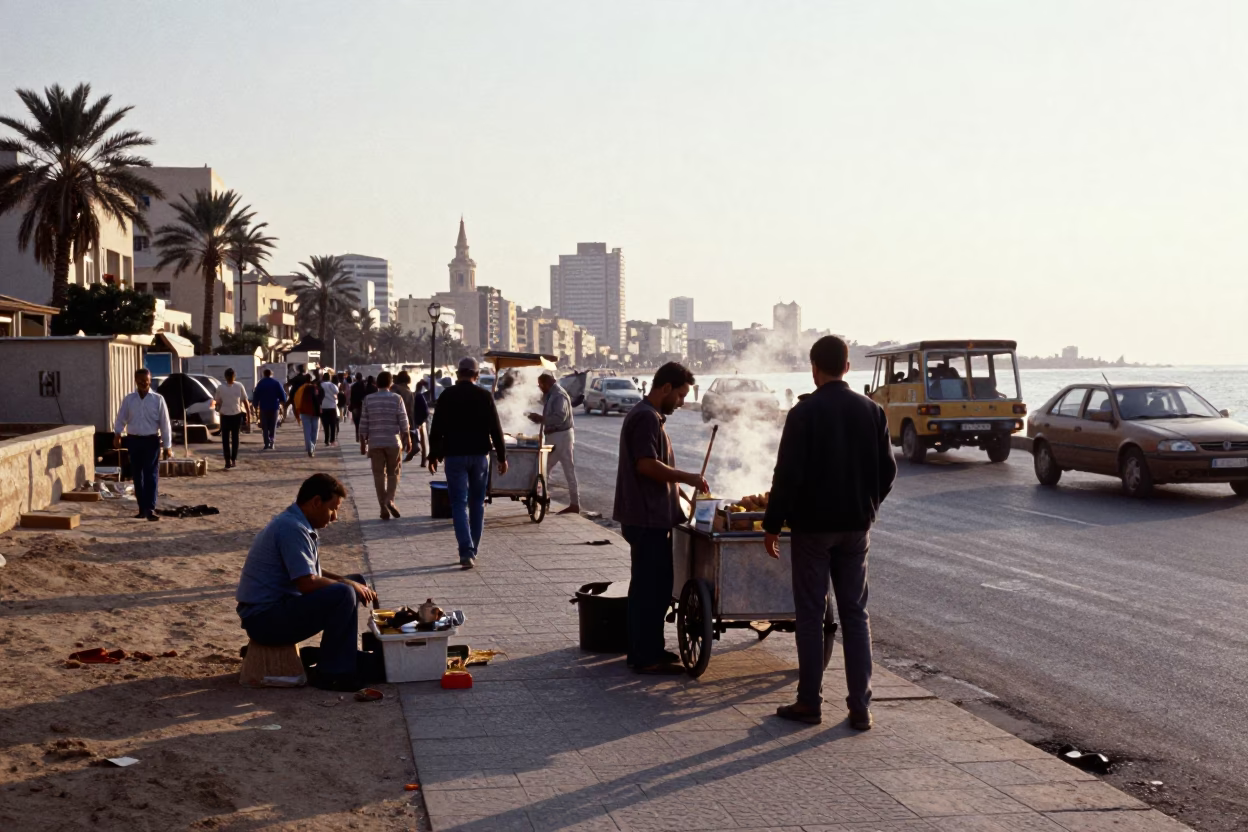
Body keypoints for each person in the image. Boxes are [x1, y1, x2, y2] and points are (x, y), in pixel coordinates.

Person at [763, 335, 897, 730]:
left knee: (810, 614)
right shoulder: (872, 411)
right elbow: (888, 472)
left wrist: (772, 524)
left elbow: (786, 474)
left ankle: (810, 702)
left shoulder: (804, 413)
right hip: (856, 528)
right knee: (856, 614)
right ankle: (860, 707)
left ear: (814, 368)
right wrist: (867, 505)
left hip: (812, 529)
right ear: (848, 367)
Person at [235, 473, 378, 691]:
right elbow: (307, 583)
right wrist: (347, 586)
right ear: (316, 502)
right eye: (333, 508)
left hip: (274, 611)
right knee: (344, 593)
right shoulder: (292, 528)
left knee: (354, 582)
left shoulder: (296, 523)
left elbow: (312, 572)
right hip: (264, 620)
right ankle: (333, 673)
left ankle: (336, 658)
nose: (334, 517)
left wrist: (348, 581)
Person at [613, 362, 707, 674]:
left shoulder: (651, 416)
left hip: (651, 515)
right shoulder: (645, 418)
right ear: (665, 388)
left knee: (655, 586)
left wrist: (677, 491)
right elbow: (646, 465)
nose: (682, 401)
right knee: (649, 588)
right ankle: (645, 656)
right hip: (646, 518)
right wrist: (688, 477)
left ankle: (649, 648)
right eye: (680, 395)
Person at [428, 357, 507, 569]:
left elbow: (436, 428)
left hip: (454, 456)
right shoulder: (484, 396)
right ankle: (472, 550)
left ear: (457, 374)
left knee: (458, 504)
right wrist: (502, 456)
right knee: (477, 503)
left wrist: (433, 455)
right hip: (480, 457)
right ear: (476, 375)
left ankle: (466, 551)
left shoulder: (447, 395)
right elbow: (495, 428)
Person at [113, 368, 173, 521]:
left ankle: (150, 509)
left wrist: (167, 446)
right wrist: (117, 434)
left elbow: (165, 423)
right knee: (137, 476)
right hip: (133, 441)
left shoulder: (158, 399)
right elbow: (121, 418)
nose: (143, 383)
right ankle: (142, 509)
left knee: (151, 475)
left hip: (151, 441)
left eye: (145, 380)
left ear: (150, 380)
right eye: (140, 380)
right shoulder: (129, 399)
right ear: (135, 380)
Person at [359, 371, 411, 521]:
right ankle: (390, 499)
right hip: (393, 442)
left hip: (375, 442)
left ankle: (383, 507)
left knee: (378, 475)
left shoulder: (368, 399)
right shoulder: (397, 398)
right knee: (393, 473)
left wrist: (363, 444)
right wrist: (408, 439)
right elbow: (403, 420)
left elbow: (364, 423)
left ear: (376, 384)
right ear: (390, 384)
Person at [527, 372, 580, 514]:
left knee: (547, 468)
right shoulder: (552, 394)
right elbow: (546, 404)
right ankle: (573, 503)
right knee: (561, 470)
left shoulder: (558, 395)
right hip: (559, 436)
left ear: (546, 384)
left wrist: (541, 419)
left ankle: (543, 498)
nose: (539, 388)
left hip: (560, 436)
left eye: (540, 385)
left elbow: (559, 418)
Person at [213, 368, 252, 470]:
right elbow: (245, 402)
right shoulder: (238, 386)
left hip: (227, 416)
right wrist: (248, 414)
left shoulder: (221, 387)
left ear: (226, 377)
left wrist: (216, 407)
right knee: (234, 438)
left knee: (227, 439)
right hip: (234, 415)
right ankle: (232, 459)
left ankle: (228, 460)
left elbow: (217, 402)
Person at [394, 371, 429, 465]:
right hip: (412, 418)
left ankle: (398, 460)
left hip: (400, 418)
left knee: (399, 440)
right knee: (420, 437)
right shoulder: (408, 391)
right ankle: (423, 461)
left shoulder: (396, 389)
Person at [252, 368, 287, 450]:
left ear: (264, 374)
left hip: (263, 408)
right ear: (271, 374)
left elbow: (256, 394)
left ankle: (266, 443)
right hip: (274, 408)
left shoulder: (260, 383)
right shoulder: (276, 383)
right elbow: (283, 396)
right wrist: (282, 402)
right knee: (273, 426)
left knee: (265, 426)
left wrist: (255, 404)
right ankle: (272, 443)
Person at [293, 374, 323, 457]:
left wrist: (298, 409)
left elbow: (296, 399)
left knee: (307, 432)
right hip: (315, 413)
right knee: (315, 432)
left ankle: (310, 448)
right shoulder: (315, 388)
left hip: (304, 412)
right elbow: (319, 400)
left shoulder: (301, 389)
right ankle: (312, 447)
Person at [319, 372, 340, 447]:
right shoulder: (332, 385)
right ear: (329, 378)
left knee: (325, 425)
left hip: (323, 406)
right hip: (332, 406)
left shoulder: (320, 385)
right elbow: (337, 392)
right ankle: (332, 440)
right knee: (332, 424)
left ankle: (326, 440)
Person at [349, 373, 366, 439]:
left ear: (356, 378)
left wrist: (351, 404)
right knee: (363, 421)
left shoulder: (353, 386)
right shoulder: (364, 385)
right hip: (362, 405)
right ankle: (362, 436)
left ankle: (357, 435)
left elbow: (352, 397)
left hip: (355, 405)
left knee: (356, 422)